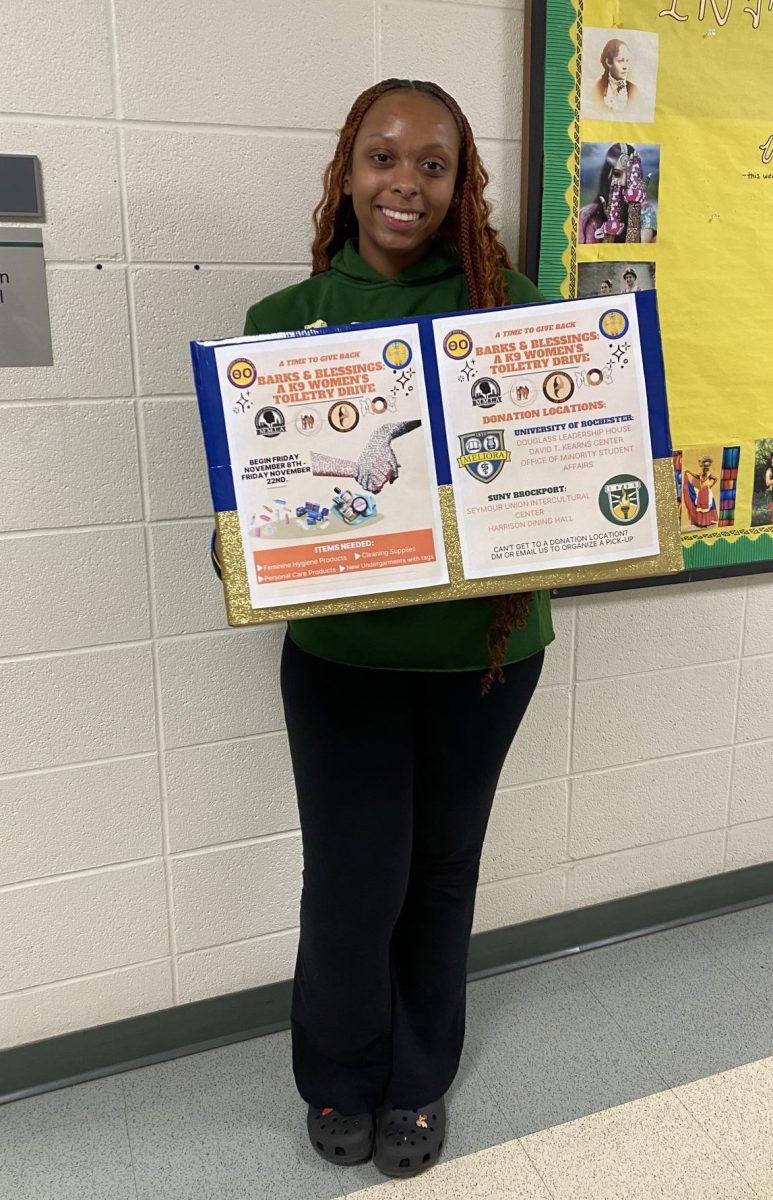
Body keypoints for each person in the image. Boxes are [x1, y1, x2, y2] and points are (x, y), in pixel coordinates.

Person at [211, 79, 554, 1179]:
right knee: (354, 878)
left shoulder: (515, 313)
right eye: (382, 157)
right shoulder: (277, 329)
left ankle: (417, 1079)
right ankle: (339, 1080)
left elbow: (571, 468)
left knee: (444, 869)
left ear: (462, 185)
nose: (404, 183)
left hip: (484, 655)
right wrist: (244, 547)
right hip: (342, 658)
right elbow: (244, 512)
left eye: (432, 163)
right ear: (345, 172)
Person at [579, 142, 657, 244]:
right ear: (607, 176)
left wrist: (634, 207)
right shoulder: (588, 215)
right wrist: (611, 225)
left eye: (630, 175)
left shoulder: (646, 211)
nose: (623, 182)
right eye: (617, 174)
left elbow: (637, 252)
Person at [683, 456, 718, 527]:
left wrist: (711, 486)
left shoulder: (709, 475)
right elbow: (695, 476)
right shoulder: (701, 476)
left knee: (706, 506)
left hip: (707, 492)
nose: (704, 470)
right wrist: (689, 472)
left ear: (707, 469)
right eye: (704, 469)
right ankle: (702, 522)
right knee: (701, 506)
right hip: (701, 492)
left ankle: (707, 522)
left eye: (706, 469)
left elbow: (716, 479)